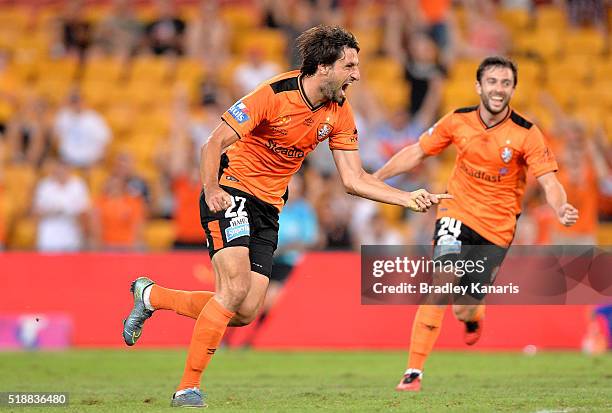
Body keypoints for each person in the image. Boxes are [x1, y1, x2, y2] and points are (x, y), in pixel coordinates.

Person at [122, 25, 448, 408]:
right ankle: (187, 389)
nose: (357, 75)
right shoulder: (272, 95)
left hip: (270, 207)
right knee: (232, 291)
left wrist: (407, 198)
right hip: (231, 191)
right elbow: (213, 143)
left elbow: (354, 179)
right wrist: (212, 189)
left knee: (244, 312)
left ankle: (152, 295)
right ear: (324, 67)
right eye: (350, 66)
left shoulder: (340, 112)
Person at [374, 56, 579, 392]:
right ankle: (413, 372)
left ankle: (474, 316)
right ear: (479, 86)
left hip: (496, 230)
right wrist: (375, 179)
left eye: (506, 83)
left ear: (513, 88)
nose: (499, 89)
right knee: (441, 282)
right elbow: (417, 152)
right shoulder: (457, 121)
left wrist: (561, 207)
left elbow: (549, 182)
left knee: (463, 309)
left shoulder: (527, 133)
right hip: (455, 213)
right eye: (493, 82)